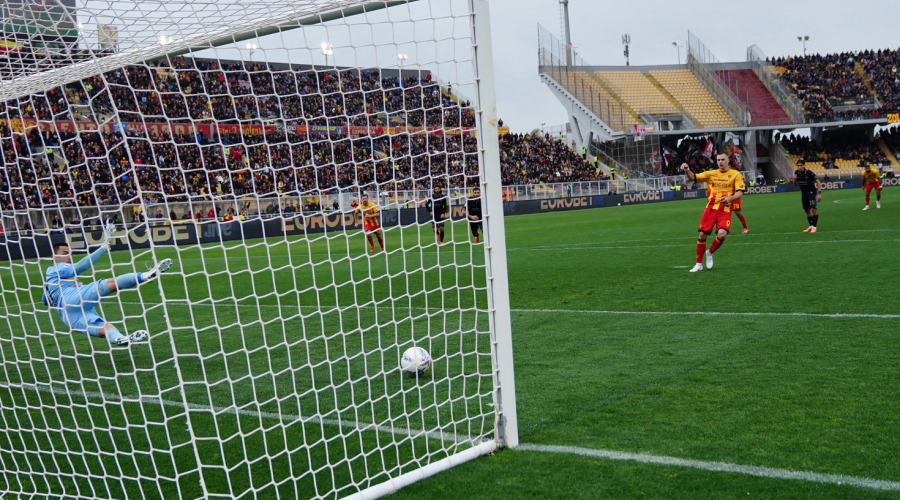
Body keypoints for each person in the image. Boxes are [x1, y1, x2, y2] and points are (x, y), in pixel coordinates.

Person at [42, 224, 173, 347]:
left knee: (105, 327)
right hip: (72, 298)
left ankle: (121, 339)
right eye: (65, 253)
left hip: (69, 317)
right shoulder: (56, 268)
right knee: (111, 282)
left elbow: (45, 300)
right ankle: (144, 276)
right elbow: (81, 266)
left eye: (70, 253)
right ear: (54, 257)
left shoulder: (54, 279)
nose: (69, 257)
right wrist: (104, 247)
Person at [680, 153, 745, 273]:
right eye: (718, 160)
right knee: (702, 235)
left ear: (728, 161)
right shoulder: (711, 174)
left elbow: (740, 192)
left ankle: (709, 253)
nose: (720, 162)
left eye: (722, 160)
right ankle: (698, 264)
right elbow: (693, 177)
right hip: (710, 208)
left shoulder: (736, 174)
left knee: (722, 235)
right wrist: (687, 169)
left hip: (725, 209)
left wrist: (730, 199)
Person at [790, 159, 823, 232]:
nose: (799, 167)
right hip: (804, 193)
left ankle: (814, 227)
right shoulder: (796, 173)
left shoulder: (809, 173)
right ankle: (810, 226)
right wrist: (795, 180)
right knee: (806, 210)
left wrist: (819, 193)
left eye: (801, 165)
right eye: (798, 166)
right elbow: (795, 185)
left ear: (804, 165)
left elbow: (818, 182)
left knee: (813, 209)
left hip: (811, 192)